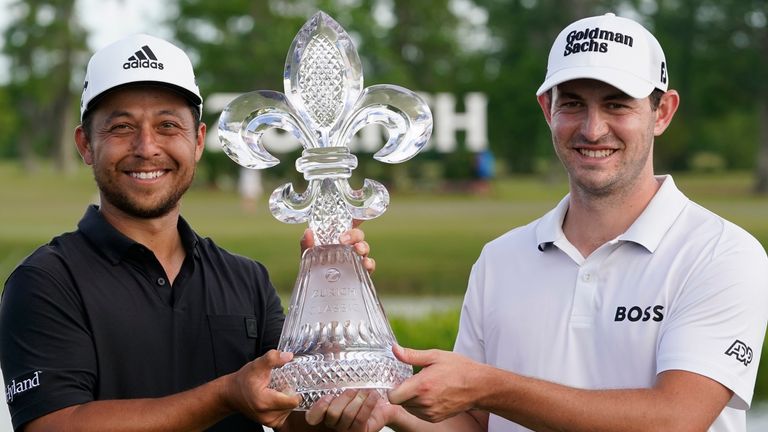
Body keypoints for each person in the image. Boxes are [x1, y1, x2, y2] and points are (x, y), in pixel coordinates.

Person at [307, 12, 768, 432]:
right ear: (547, 109)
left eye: (616, 105)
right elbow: (474, 423)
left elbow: (675, 420)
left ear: (662, 112)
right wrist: (388, 406)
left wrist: (491, 386)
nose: (592, 129)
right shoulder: (501, 259)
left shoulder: (722, 253)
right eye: (572, 104)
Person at [0, 33, 375, 431]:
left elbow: (297, 418)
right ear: (86, 144)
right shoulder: (45, 282)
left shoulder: (246, 279)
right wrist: (224, 394)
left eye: (167, 125)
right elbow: (53, 426)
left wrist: (328, 303)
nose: (146, 147)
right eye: (122, 127)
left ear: (196, 141)